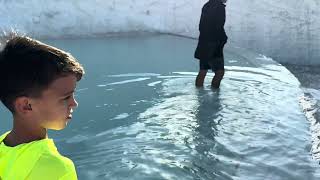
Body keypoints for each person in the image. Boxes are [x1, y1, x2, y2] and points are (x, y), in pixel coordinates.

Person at [0, 34, 84, 179]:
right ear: (26, 106)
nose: (74, 104)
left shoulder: (3, 146)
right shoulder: (59, 169)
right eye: (65, 98)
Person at [194, 0, 228, 88]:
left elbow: (201, 26)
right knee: (219, 72)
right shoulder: (219, 7)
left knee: (203, 71)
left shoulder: (207, 5)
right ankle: (215, 96)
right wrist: (223, 38)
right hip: (214, 44)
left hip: (204, 43)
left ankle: (199, 94)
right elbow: (218, 26)